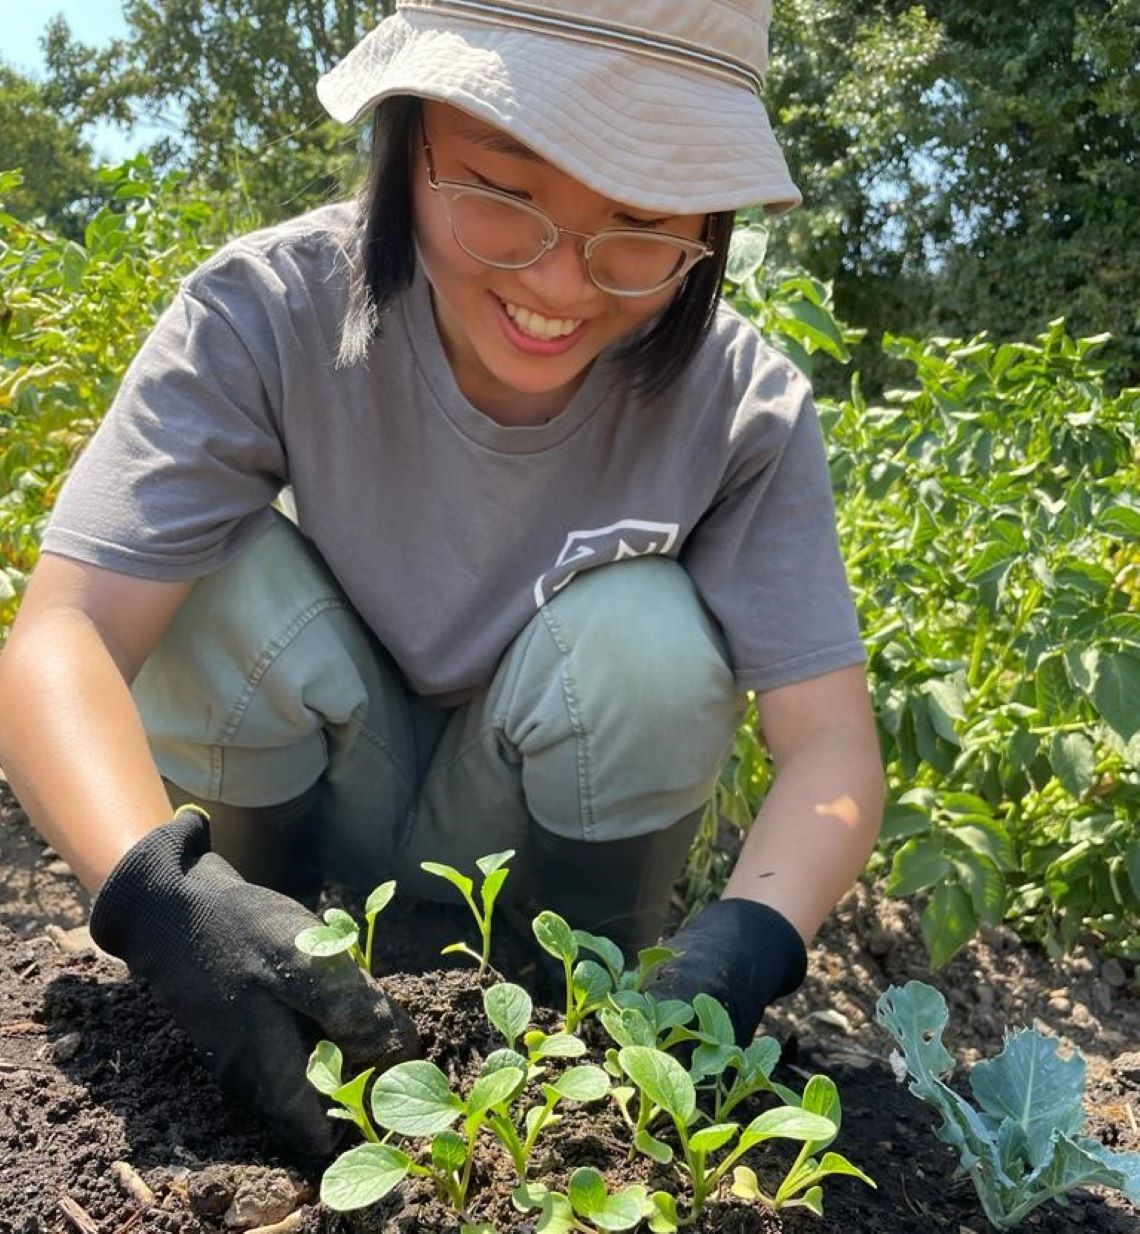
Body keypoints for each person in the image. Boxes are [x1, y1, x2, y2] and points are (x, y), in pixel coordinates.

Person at [0, 0, 884, 1159]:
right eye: (500, 194)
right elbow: (61, 635)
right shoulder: (268, 310)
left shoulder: (738, 410)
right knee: (215, 582)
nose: (560, 285)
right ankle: (270, 966)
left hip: (536, 865)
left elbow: (829, 746)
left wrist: (750, 936)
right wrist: (164, 899)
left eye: (638, 228)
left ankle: (578, 1011)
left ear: (710, 229)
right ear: (406, 141)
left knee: (649, 637)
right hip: (316, 827)